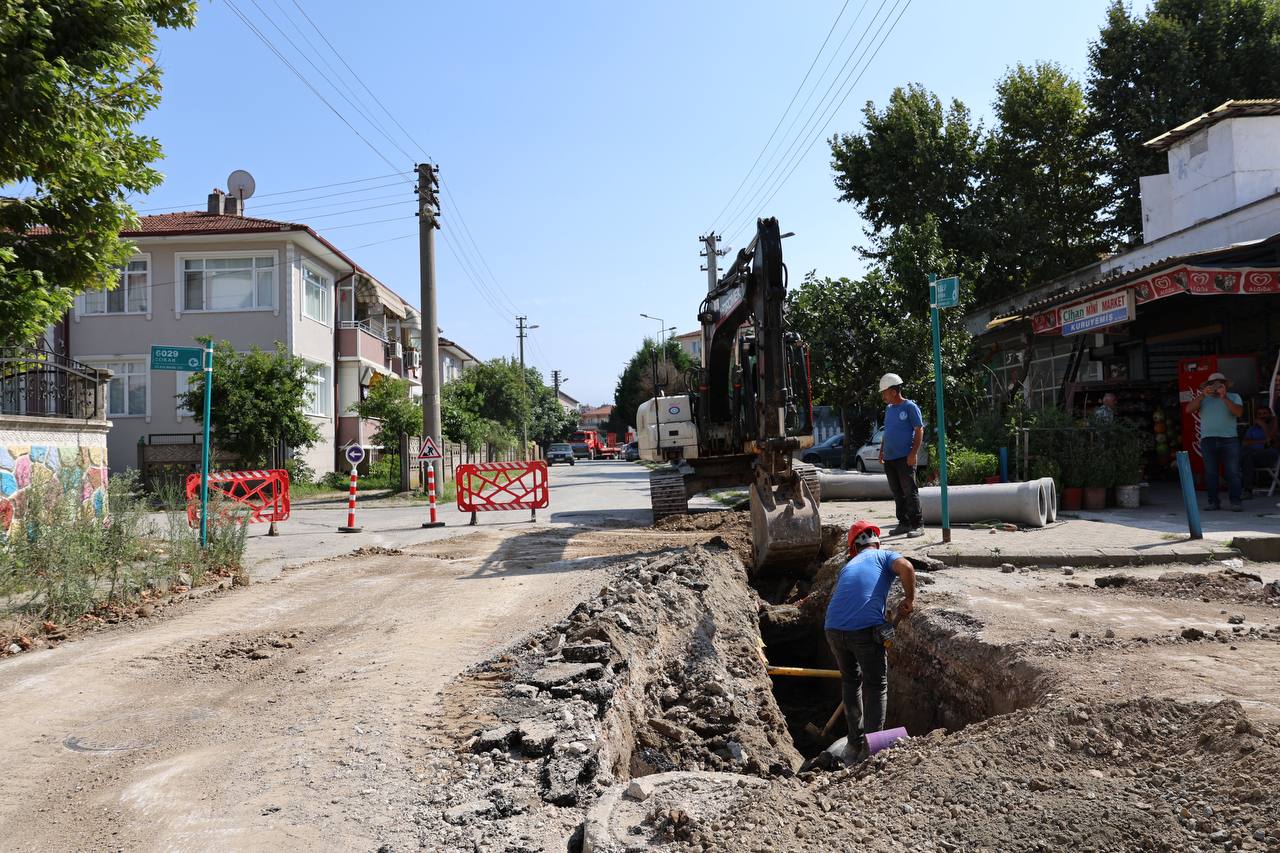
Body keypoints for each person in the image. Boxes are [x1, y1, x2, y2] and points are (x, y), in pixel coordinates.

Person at [825, 520, 916, 759]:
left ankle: (855, 742)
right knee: (876, 686)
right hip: (863, 630)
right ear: (878, 541)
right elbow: (907, 568)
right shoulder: (885, 556)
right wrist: (909, 599)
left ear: (853, 548)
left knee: (851, 682)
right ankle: (871, 751)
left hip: (833, 627)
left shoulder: (849, 564)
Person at [1186, 372, 1245, 511]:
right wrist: (1202, 395)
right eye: (1213, 384)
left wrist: (1224, 397)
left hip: (1229, 439)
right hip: (1208, 440)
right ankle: (1213, 502)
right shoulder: (1203, 399)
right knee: (1211, 473)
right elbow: (1188, 409)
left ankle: (1236, 501)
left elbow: (1239, 413)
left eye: (1219, 384)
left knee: (1233, 472)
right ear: (1208, 386)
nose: (1216, 386)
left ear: (1224, 385)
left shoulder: (1234, 396)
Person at [877, 372, 924, 537]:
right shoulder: (889, 409)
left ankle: (917, 525)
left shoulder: (910, 407)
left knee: (909, 490)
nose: (883, 396)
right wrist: (882, 450)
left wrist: (913, 453)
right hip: (890, 458)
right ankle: (903, 523)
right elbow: (887, 432)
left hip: (905, 457)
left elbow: (919, 430)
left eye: (884, 392)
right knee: (897, 492)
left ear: (894, 392)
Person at [1241, 405, 1279, 497]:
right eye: (1259, 414)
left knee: (1246, 455)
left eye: (1265, 413)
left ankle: (1247, 489)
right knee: (1239, 454)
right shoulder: (1252, 429)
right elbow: (1244, 443)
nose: (1262, 416)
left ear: (1270, 415)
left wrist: (1264, 427)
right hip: (1252, 457)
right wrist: (1262, 441)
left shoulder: (1275, 428)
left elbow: (1275, 444)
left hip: (1270, 457)